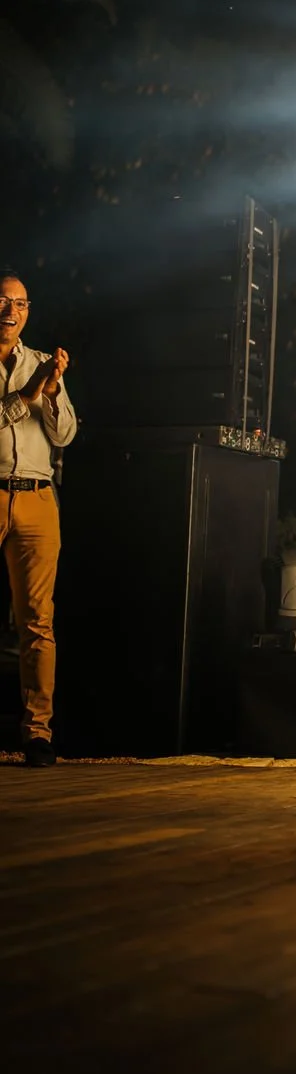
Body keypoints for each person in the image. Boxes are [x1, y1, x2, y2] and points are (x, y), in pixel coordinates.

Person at [0, 271, 76, 767]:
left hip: (36, 495)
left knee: (37, 622)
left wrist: (50, 390)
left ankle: (37, 734)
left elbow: (66, 434)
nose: (11, 312)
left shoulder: (38, 364)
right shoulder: (23, 374)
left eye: (21, 305)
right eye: (3, 302)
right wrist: (23, 398)